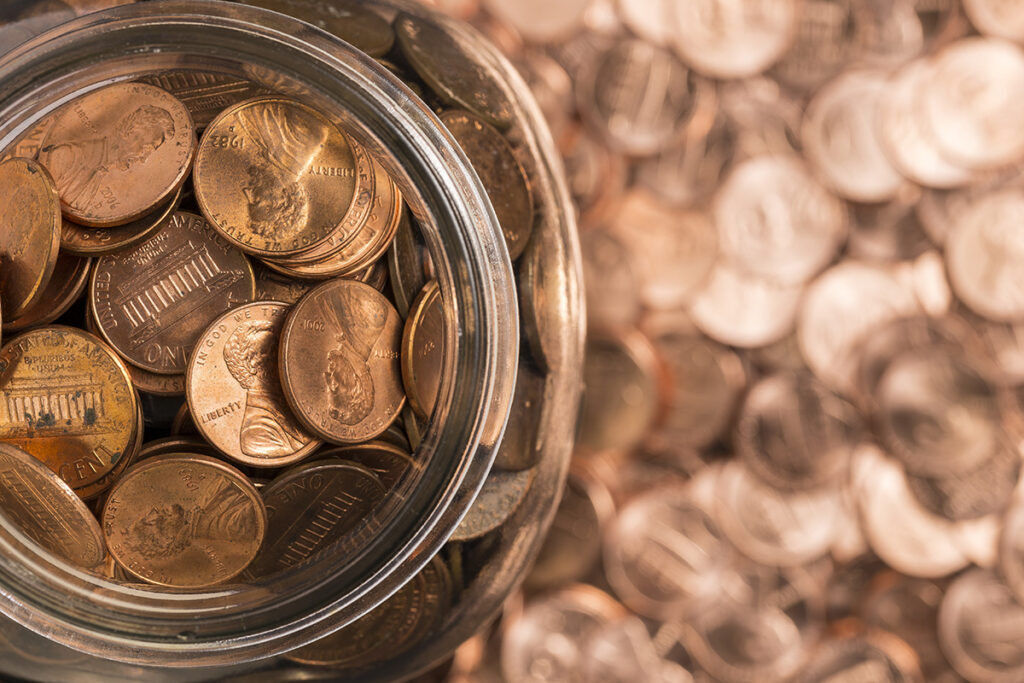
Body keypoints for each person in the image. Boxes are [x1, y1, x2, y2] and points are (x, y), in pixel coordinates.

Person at [39, 104, 175, 214]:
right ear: (130, 131)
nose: (143, 159)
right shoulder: (66, 155)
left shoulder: (101, 173)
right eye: (147, 148)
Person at [222, 319, 309, 457]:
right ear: (251, 364)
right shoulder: (255, 433)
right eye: (271, 351)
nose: (282, 357)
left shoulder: (289, 407)